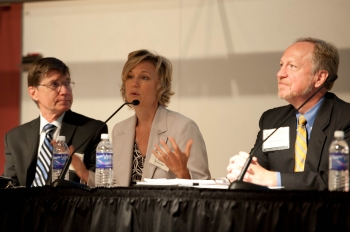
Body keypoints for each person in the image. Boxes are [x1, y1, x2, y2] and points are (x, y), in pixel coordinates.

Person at [227, 37, 350, 190]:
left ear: (319, 77)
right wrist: (243, 172)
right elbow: (256, 171)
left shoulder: (345, 119)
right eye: (281, 65)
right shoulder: (272, 120)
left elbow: (340, 181)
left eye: (292, 66)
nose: (280, 74)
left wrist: (271, 178)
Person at [3, 57, 108, 187]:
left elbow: (103, 188)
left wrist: (84, 173)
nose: (65, 91)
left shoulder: (91, 130)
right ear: (33, 92)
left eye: (67, 83)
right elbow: (9, 186)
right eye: (54, 84)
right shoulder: (15, 138)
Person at [113, 49, 211, 186]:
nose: (134, 83)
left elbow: (205, 189)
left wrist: (183, 174)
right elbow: (114, 184)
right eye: (130, 76)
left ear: (160, 86)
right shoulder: (120, 130)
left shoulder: (183, 127)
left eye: (144, 77)